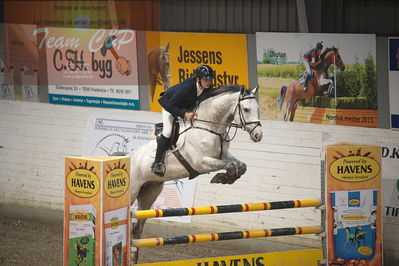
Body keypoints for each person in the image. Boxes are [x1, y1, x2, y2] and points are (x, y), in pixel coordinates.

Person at [151, 64, 215, 177]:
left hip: (185, 106)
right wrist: (185, 114)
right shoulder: (187, 88)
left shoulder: (207, 87)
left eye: (210, 79)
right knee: (168, 131)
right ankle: (157, 163)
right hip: (169, 106)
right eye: (206, 79)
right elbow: (171, 106)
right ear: (198, 79)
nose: (208, 82)